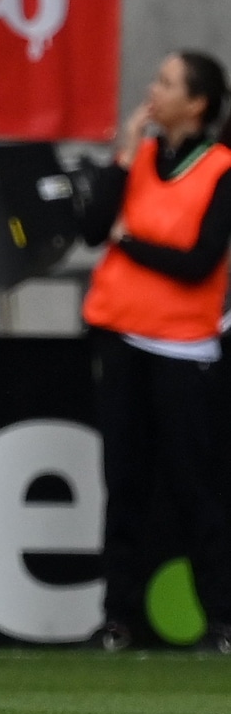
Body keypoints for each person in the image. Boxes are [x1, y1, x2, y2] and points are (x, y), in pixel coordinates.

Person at [80, 50, 231, 654]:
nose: (153, 90)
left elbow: (197, 262)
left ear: (197, 103)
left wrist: (129, 240)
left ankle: (221, 619)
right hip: (121, 337)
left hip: (185, 348)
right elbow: (93, 229)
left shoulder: (220, 167)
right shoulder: (139, 156)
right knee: (124, 481)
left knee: (198, 485)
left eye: (167, 82)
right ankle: (119, 618)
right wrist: (122, 151)